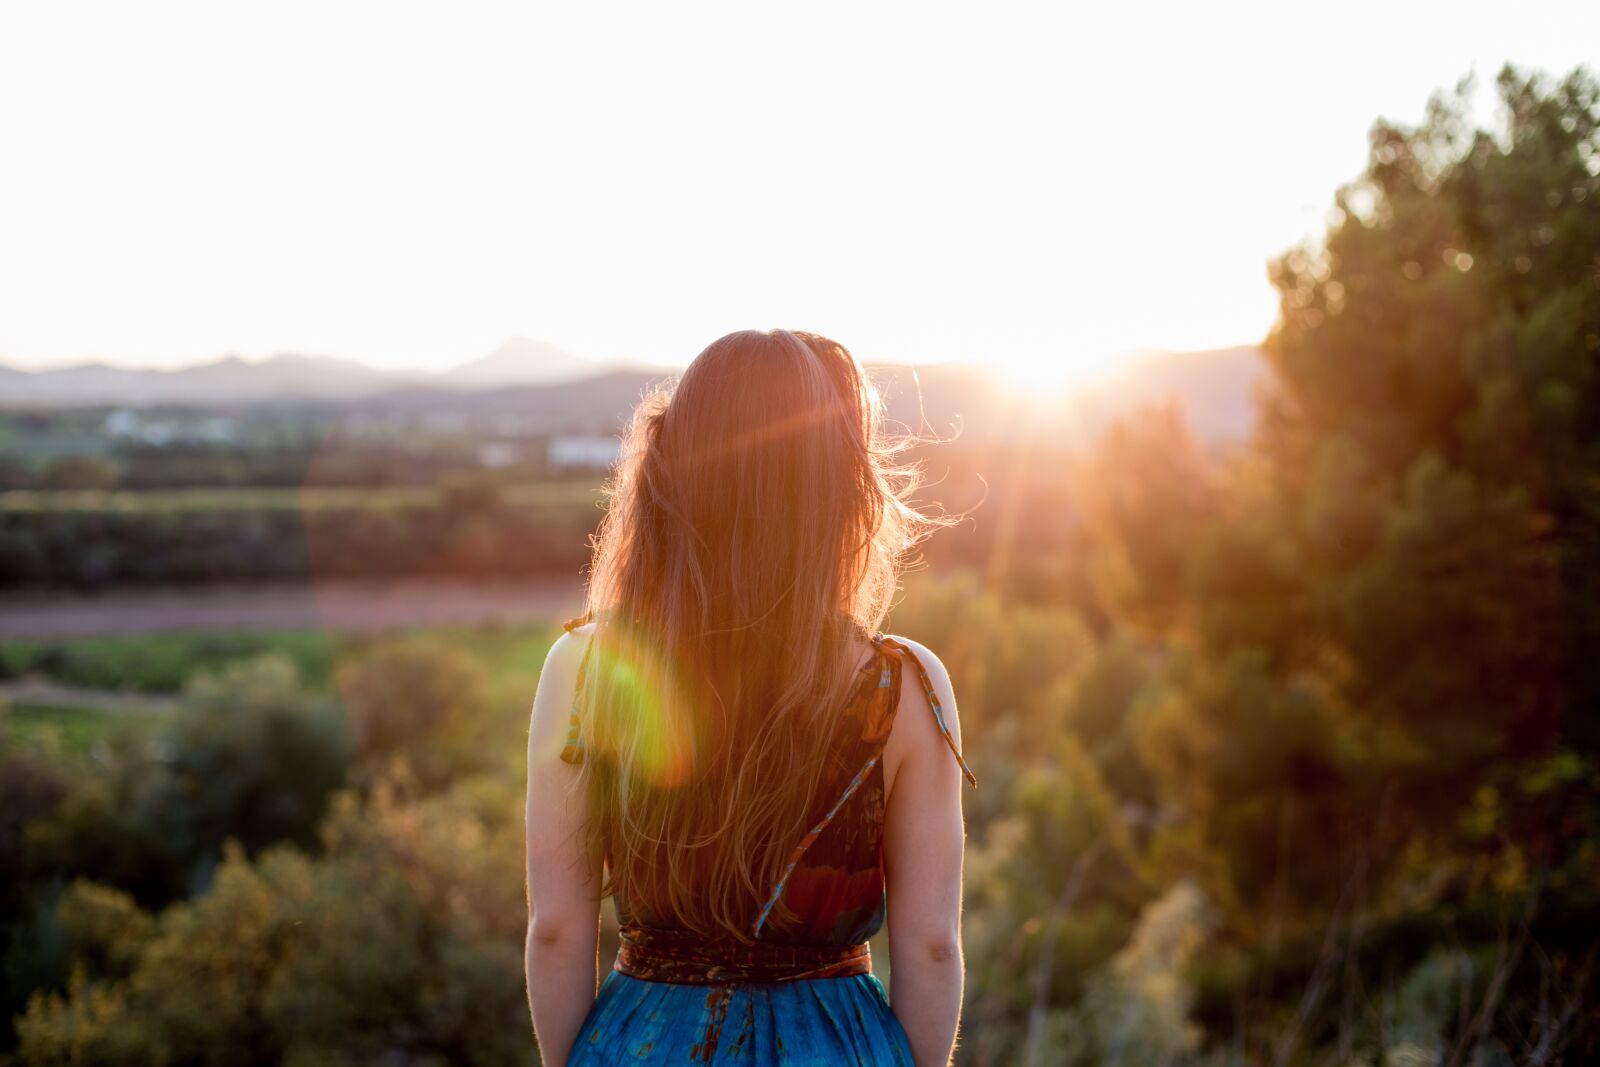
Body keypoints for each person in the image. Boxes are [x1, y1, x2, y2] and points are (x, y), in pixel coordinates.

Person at [524, 329, 976, 1065]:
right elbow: (929, 945)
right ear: (841, 489)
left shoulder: (582, 668)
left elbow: (555, 929)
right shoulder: (903, 686)